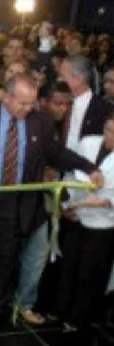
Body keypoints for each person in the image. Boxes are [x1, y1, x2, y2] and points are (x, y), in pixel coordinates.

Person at [0, 73, 104, 333]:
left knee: (5, 258)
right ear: (7, 96)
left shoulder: (42, 123)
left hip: (17, 201)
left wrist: (89, 167)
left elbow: (56, 154)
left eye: (32, 103)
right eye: (23, 103)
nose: (29, 109)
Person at [56, 112, 114, 331]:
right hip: (76, 214)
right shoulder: (88, 142)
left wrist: (102, 202)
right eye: (108, 130)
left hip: (102, 223)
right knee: (68, 264)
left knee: (88, 273)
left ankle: (77, 318)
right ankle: (61, 310)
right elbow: (72, 174)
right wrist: (67, 204)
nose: (109, 136)